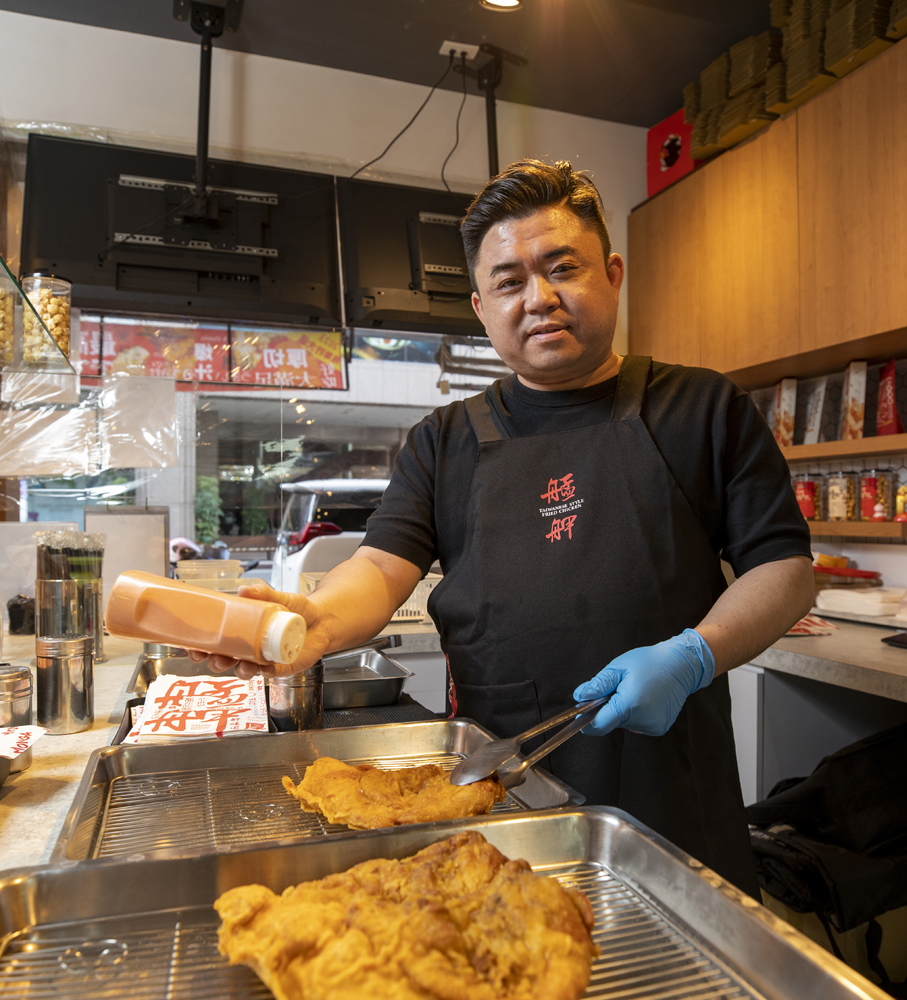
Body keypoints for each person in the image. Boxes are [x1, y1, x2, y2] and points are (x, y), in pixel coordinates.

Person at [209, 159, 814, 895]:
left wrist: (694, 655)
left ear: (614, 274)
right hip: (498, 791)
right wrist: (312, 625)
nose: (541, 299)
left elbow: (783, 571)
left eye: (563, 267)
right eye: (510, 282)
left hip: (671, 792)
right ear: (481, 305)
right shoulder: (443, 440)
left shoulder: (700, 409)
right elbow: (377, 568)